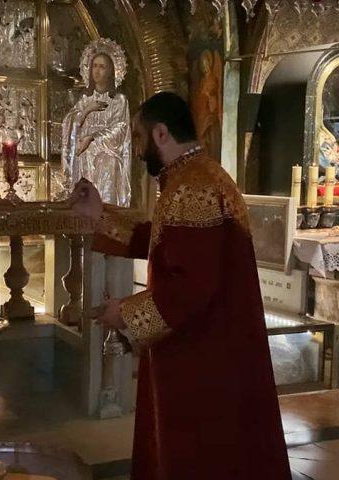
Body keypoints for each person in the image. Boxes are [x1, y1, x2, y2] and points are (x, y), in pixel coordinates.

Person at [71, 92, 291, 480]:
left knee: (198, 457)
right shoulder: (195, 177)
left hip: (202, 356)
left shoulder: (193, 188)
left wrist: (124, 312)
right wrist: (99, 215)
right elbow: (163, 241)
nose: (137, 152)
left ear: (160, 133)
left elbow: (192, 287)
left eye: (139, 139)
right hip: (212, 348)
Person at [62, 38, 131, 207]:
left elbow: (120, 130)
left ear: (111, 71)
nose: (97, 71)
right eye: (94, 66)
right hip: (85, 160)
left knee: (107, 166)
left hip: (107, 159)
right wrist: (87, 110)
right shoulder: (85, 101)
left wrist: (92, 138)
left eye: (102, 67)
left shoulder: (119, 101)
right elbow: (68, 125)